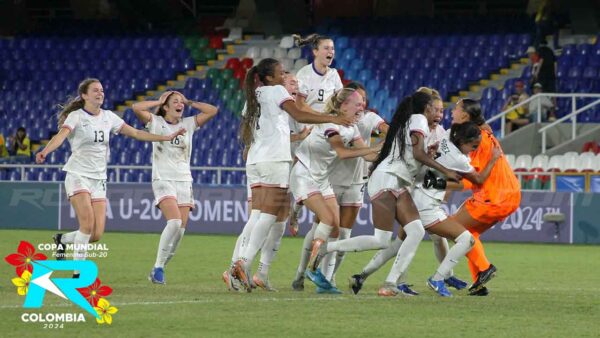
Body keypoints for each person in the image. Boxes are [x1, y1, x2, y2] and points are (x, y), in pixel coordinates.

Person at [308, 91, 461, 296]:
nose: (438, 112)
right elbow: (417, 153)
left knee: (416, 231)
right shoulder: (418, 119)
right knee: (381, 239)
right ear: (426, 108)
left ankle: (390, 283)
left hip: (397, 180)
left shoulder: (412, 122)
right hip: (387, 178)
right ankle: (327, 249)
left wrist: (429, 155)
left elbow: (414, 154)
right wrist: (446, 171)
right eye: (435, 108)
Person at [227, 58, 355, 292]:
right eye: (280, 72)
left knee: (258, 215)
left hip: (256, 160)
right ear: (269, 77)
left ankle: (243, 267)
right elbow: (299, 115)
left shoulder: (254, 95)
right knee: (269, 215)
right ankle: (242, 263)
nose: (284, 75)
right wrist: (333, 118)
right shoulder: (276, 91)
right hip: (274, 159)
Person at [37, 78, 184, 277]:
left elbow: (136, 133)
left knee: (95, 235)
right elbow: (61, 136)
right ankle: (78, 275)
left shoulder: (109, 117)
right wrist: (45, 151)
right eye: (95, 90)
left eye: (102, 90)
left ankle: (62, 240)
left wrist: (164, 137)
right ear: (84, 95)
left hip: (99, 180)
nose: (100, 93)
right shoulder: (76, 116)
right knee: (87, 225)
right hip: (78, 175)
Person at [350, 122, 502, 297]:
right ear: (463, 141)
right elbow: (479, 179)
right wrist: (494, 158)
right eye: (473, 146)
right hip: (426, 206)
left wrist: (480, 124)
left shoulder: (446, 138)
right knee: (466, 240)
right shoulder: (459, 159)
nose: (474, 150)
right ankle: (438, 278)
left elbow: (455, 127)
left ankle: (361, 276)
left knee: (398, 245)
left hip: (414, 198)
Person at [293, 81, 388, 291]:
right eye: (357, 103)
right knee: (327, 223)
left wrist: (386, 151)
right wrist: (376, 147)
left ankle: (326, 280)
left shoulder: (352, 127)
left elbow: (368, 153)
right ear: (343, 105)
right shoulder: (329, 124)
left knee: (338, 230)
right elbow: (343, 153)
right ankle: (308, 269)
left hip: (327, 179)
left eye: (363, 103)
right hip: (307, 175)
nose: (362, 107)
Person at [224, 71, 303, 292]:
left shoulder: (274, 105)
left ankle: (261, 273)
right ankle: (237, 265)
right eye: (290, 80)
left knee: (277, 224)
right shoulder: (276, 103)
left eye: (297, 81)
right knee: (259, 216)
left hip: (275, 166)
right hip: (270, 165)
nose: (295, 84)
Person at [132, 90, 218, 284]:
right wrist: (158, 100)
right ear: (166, 106)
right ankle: (159, 267)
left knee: (179, 233)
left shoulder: (188, 123)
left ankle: (157, 268)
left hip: (184, 180)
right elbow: (136, 107)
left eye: (181, 102)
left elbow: (212, 110)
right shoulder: (156, 122)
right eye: (175, 102)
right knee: (174, 222)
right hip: (163, 179)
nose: (180, 105)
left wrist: (190, 101)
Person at [451, 98, 522, 296]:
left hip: (494, 196)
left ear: (465, 115)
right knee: (468, 234)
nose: (451, 113)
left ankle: (484, 268)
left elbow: (476, 178)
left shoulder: (476, 138)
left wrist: (447, 184)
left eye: (455, 110)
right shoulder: (482, 133)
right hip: (510, 194)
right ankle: (479, 284)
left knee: (453, 228)